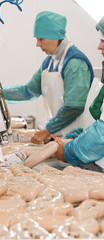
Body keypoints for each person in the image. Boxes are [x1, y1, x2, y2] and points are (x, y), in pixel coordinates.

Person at [3, 11, 94, 144]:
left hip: (77, 139)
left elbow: (74, 106)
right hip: (58, 137)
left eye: (40, 39)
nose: (37, 44)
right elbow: (28, 91)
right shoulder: (49, 63)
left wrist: (47, 130)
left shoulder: (75, 63)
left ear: (54, 36)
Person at [55, 16, 104, 172]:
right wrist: (81, 133)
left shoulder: (77, 62)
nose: (99, 46)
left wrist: (72, 149)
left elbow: (102, 135)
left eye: (103, 40)